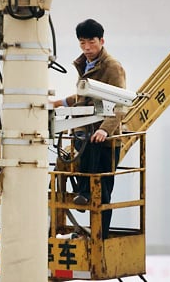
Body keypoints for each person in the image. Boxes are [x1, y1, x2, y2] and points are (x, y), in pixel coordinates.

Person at [53, 18, 126, 238]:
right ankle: (82, 195)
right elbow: (83, 96)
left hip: (103, 137)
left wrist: (105, 130)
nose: (87, 48)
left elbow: (120, 103)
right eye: (82, 43)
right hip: (84, 133)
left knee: (103, 190)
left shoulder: (112, 67)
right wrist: (61, 103)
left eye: (91, 42)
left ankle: (100, 234)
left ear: (102, 41)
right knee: (83, 171)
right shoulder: (85, 64)